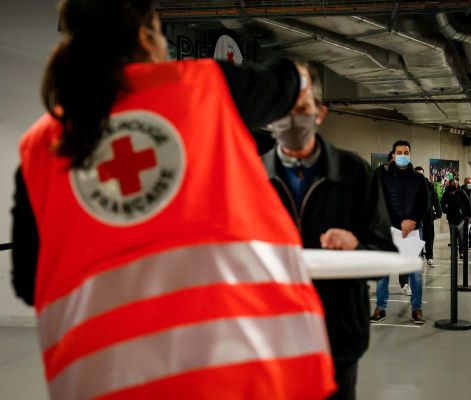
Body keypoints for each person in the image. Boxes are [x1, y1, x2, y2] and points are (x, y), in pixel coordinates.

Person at [10, 1, 336, 399]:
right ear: (148, 37)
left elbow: (29, 282)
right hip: (242, 369)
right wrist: (301, 76)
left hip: (105, 380)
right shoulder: (206, 87)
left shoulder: (39, 146)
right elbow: (285, 81)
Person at [263, 63, 396, 400]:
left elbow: (384, 253)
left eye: (302, 109)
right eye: (283, 110)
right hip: (270, 336)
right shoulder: (249, 177)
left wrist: (357, 246)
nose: (292, 119)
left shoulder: (355, 174)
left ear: (320, 114)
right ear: (268, 117)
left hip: (336, 333)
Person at [371, 140, 428, 325]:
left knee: (415, 272)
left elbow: (424, 204)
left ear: (410, 154)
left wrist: (411, 222)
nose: (403, 155)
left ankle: (417, 308)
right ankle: (380, 308)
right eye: (399, 152)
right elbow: (382, 203)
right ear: (393, 155)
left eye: (406, 152)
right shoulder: (383, 177)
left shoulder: (419, 179)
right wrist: (400, 222)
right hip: (388, 229)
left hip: (413, 230)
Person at [415, 166, 442, 265]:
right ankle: (419, 255)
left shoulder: (430, 186)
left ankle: (430, 256)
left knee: (429, 238)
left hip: (428, 216)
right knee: (418, 238)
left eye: (421, 174)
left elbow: (435, 200)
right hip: (416, 217)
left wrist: (438, 212)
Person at [441, 179, 471, 258]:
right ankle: (453, 253)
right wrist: (445, 210)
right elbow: (443, 203)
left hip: (461, 217)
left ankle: (461, 252)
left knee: (461, 236)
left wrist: (470, 217)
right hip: (451, 217)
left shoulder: (461, 192)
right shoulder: (446, 193)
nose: (453, 192)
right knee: (453, 236)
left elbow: (468, 204)